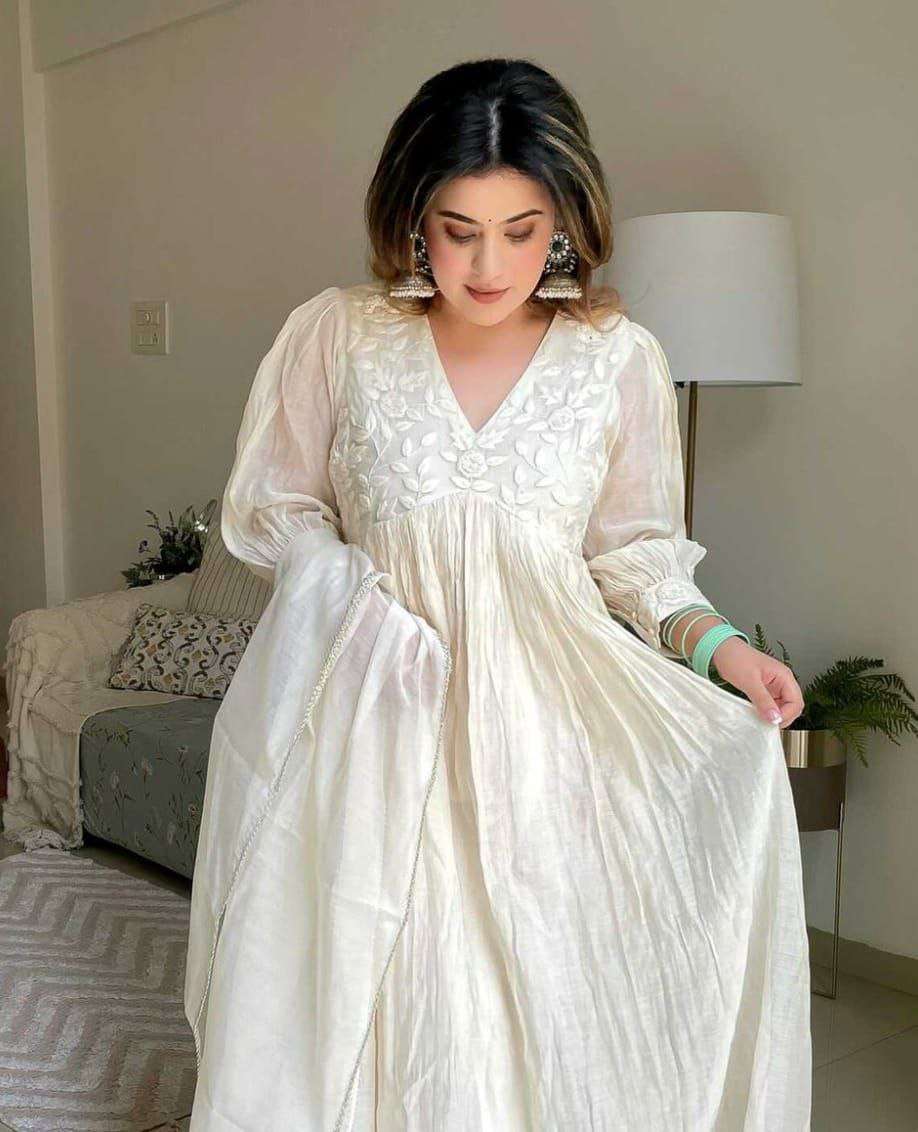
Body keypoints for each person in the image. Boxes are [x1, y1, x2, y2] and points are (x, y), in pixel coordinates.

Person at [193, 57, 812, 1131]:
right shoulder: (340, 333)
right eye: (459, 229)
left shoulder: (616, 358)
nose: (489, 265)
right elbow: (270, 509)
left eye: (522, 231)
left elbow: (635, 556)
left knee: (529, 1011)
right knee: (389, 993)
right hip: (378, 719)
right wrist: (351, 592)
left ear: (567, 220)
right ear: (410, 218)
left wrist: (724, 650)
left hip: (547, 735)